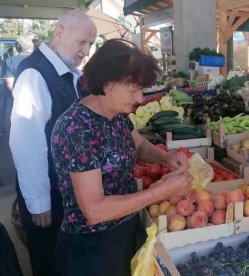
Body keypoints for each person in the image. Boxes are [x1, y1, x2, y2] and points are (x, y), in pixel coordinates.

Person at [51, 39, 192, 275]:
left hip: (125, 230)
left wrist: (165, 157)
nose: (139, 98)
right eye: (133, 89)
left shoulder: (116, 115)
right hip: (93, 249)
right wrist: (160, 192)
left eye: (141, 89)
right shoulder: (76, 128)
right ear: (107, 85)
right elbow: (94, 211)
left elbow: (138, 146)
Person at [9, 10, 97, 276]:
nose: (86, 50)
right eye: (81, 42)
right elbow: (27, 143)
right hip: (49, 197)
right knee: (49, 263)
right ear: (59, 32)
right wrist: (39, 202)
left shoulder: (67, 72)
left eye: (90, 44)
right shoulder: (35, 75)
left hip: (64, 193)